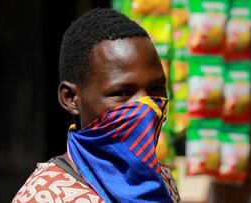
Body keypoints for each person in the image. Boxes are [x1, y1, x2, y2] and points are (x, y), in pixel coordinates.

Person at [12, 8, 180, 203]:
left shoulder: (163, 180)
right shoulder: (46, 197)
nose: (146, 107)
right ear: (70, 98)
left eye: (156, 89)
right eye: (122, 93)